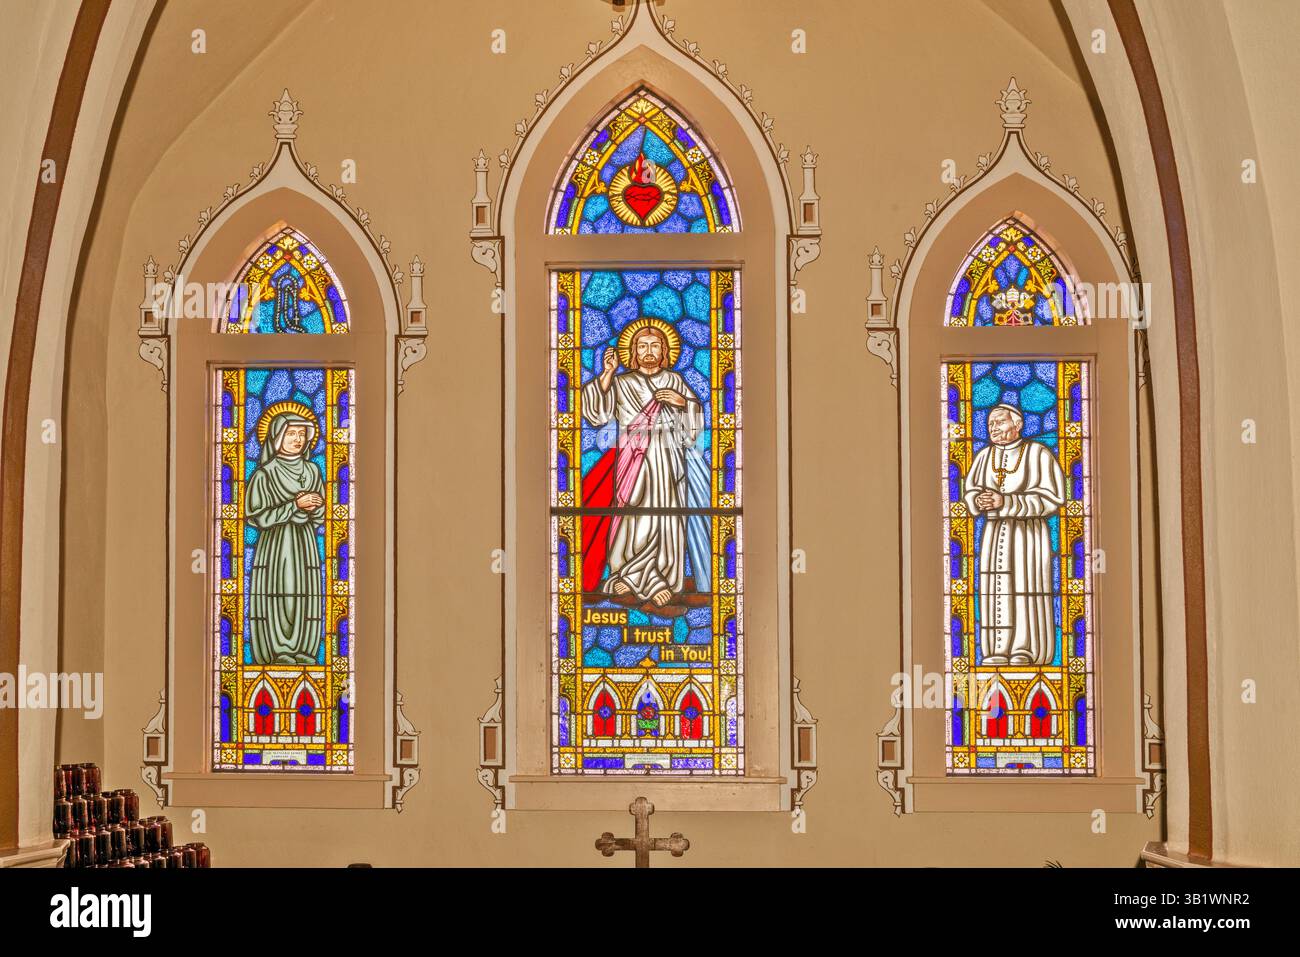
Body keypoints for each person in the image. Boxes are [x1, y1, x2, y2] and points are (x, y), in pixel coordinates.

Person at [580, 319, 705, 606]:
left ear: (665, 351)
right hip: (633, 459)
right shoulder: (623, 382)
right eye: (643, 346)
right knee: (635, 513)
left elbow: (694, 425)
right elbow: (596, 415)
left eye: (655, 346)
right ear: (633, 352)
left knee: (666, 517)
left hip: (669, 460)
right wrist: (607, 375)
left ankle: (659, 574)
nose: (649, 351)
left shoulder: (674, 381)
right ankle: (631, 574)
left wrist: (682, 402)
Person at [962, 403, 1066, 666]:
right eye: (990, 424)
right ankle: (996, 648)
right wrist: (980, 500)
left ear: (1018, 425)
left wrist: (1006, 502)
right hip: (994, 533)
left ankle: (1025, 647)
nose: (993, 428)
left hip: (1027, 534)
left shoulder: (1038, 454)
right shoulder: (984, 456)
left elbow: (1052, 499)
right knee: (994, 588)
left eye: (999, 422)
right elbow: (970, 491)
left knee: (1025, 587)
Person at [246, 411, 326, 665]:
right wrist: (295, 505)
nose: (298, 439)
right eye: (291, 433)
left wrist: (317, 507)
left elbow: (322, 515)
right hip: (277, 545)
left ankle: (303, 648)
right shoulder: (264, 474)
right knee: (280, 592)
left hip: (305, 543)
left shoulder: (313, 470)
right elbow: (258, 516)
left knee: (304, 591)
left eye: (302, 434)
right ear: (277, 437)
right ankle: (278, 649)